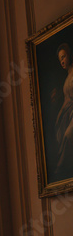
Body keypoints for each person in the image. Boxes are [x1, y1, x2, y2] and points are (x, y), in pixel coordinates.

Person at [52, 43, 73, 179]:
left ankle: (60, 168)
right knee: (59, 133)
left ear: (70, 55)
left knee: (67, 136)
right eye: (60, 59)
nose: (62, 61)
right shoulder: (67, 78)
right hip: (68, 113)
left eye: (64, 57)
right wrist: (60, 113)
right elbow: (67, 99)